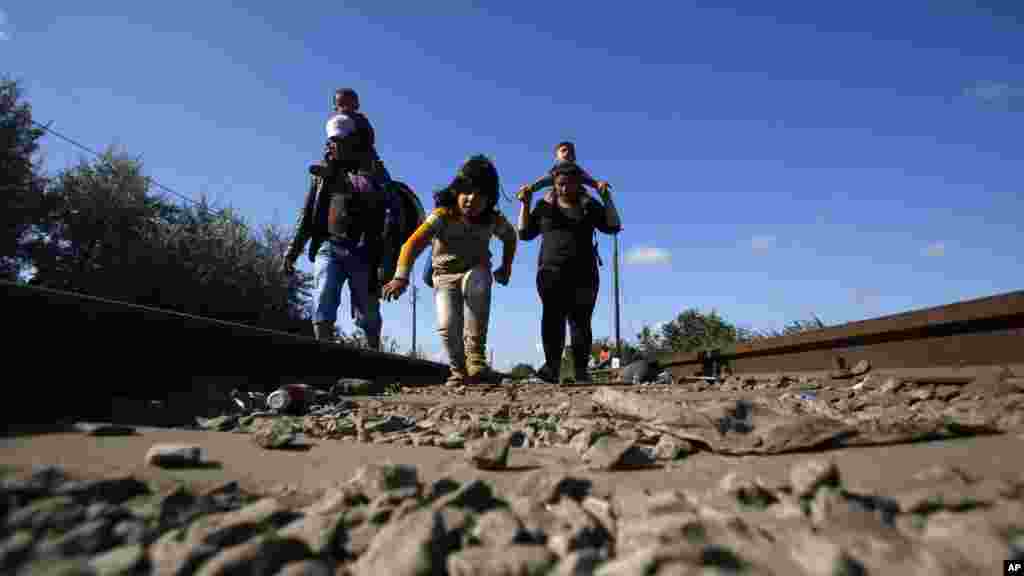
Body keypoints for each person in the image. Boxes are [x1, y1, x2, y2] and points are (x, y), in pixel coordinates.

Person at [382, 155, 517, 386]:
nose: (471, 200)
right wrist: (400, 277)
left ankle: (476, 359)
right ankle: (458, 370)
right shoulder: (443, 216)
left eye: (480, 195)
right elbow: (411, 245)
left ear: (489, 199)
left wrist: (506, 266)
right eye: (467, 191)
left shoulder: (492, 220)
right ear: (456, 190)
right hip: (444, 276)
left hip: (476, 270)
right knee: (447, 324)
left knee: (477, 281)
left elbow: (510, 237)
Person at [284, 111, 401, 349]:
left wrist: (388, 261)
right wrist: (291, 252)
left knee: (367, 311)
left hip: (364, 250)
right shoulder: (322, 176)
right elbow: (307, 216)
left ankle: (372, 353)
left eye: (339, 142)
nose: (333, 146)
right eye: (331, 142)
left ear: (352, 143)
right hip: (329, 247)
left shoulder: (374, 173)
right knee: (324, 294)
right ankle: (324, 352)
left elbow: (393, 213)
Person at [517, 162, 622, 384]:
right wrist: (525, 205)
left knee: (581, 322)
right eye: (561, 184)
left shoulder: (589, 206)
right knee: (552, 320)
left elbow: (613, 226)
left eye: (571, 184)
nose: (566, 188)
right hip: (550, 273)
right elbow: (525, 233)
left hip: (584, 274)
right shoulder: (544, 206)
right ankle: (552, 370)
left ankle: (581, 372)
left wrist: (606, 198)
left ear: (579, 184)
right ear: (555, 185)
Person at [520, 141, 610, 203]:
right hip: (559, 195)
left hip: (577, 194)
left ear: (574, 157)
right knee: (548, 199)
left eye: (571, 151)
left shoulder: (577, 170)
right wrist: (531, 188)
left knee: (588, 200)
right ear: (557, 157)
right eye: (563, 150)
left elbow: (588, 180)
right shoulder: (555, 170)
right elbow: (543, 181)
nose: (567, 153)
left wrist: (598, 184)